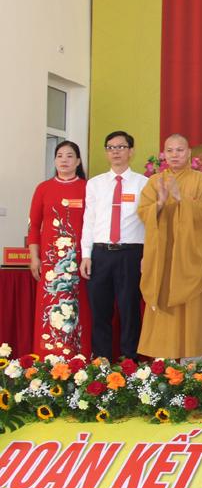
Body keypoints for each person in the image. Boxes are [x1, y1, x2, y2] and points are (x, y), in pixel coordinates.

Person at [137, 134, 202, 360]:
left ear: (189, 152)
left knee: (192, 307)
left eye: (179, 150)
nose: (174, 155)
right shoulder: (155, 182)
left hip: (189, 257)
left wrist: (181, 198)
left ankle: (193, 360)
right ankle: (162, 361)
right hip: (162, 257)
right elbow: (143, 213)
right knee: (163, 300)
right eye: (170, 150)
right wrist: (160, 202)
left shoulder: (201, 180)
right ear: (164, 154)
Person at [80, 131, 148, 360]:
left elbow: (150, 223)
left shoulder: (144, 183)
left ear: (131, 151)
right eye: (111, 147)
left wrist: (147, 255)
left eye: (121, 147)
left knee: (130, 310)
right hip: (100, 254)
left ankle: (130, 362)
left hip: (131, 254)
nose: (115, 151)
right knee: (100, 311)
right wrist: (86, 254)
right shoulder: (95, 184)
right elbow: (89, 220)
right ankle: (101, 361)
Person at [27, 140, 91, 357]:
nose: (64, 160)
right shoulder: (43, 188)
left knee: (79, 310)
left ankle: (78, 359)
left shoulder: (87, 188)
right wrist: (34, 258)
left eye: (70, 156)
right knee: (50, 308)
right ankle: (48, 360)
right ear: (54, 160)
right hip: (51, 264)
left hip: (80, 262)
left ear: (78, 161)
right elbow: (34, 226)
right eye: (60, 156)